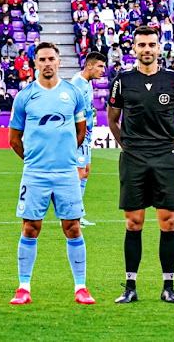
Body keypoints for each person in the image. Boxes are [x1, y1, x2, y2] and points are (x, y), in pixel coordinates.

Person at [108, 26, 174, 304]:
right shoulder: (122, 80)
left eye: (151, 44)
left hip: (165, 159)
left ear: (159, 48)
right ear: (134, 48)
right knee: (134, 223)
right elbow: (112, 119)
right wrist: (128, 146)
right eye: (141, 44)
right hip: (133, 159)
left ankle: (168, 287)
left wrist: (167, 144)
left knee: (168, 222)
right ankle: (130, 286)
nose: (147, 49)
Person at [8, 42, 95, 305]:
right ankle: (24, 287)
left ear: (59, 62)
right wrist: (34, 159)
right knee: (30, 228)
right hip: (35, 174)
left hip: (67, 172)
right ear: (35, 63)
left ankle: (81, 287)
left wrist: (68, 155)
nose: (47, 63)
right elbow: (14, 138)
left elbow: (81, 130)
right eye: (42, 59)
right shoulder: (24, 96)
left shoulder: (72, 93)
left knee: (73, 227)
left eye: (52, 59)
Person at [69, 52, 107, 227]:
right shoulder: (77, 84)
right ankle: (72, 214)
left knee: (86, 172)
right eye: (100, 66)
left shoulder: (86, 83)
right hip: (79, 134)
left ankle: (78, 213)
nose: (103, 70)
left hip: (87, 135)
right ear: (89, 65)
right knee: (78, 174)